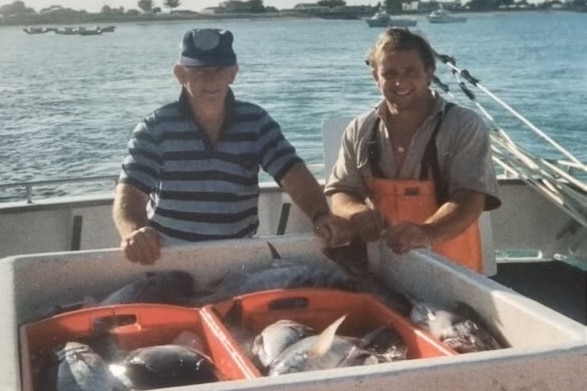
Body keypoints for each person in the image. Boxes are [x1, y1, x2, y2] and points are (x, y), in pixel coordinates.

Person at [113, 28, 350, 265]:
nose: (211, 79)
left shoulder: (256, 122)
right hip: (168, 258)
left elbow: (292, 173)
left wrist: (321, 216)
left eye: (219, 70)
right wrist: (135, 233)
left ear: (233, 73)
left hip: (239, 259)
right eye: (200, 71)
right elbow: (130, 191)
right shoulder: (154, 127)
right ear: (180, 74)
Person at [324, 28, 501, 271]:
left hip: (456, 271)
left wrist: (426, 233)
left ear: (429, 73)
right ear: (375, 76)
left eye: (411, 72)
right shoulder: (360, 129)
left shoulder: (463, 124)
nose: (400, 82)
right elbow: (342, 191)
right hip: (388, 268)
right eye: (390, 73)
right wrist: (357, 212)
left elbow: (470, 198)